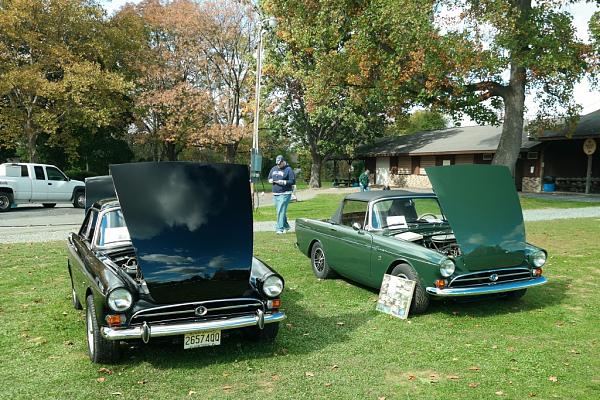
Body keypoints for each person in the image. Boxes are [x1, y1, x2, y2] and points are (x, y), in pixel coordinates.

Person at [268, 155, 296, 234]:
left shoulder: (288, 169)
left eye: (280, 163)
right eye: (277, 164)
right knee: (280, 211)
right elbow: (269, 177)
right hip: (276, 193)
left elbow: (292, 181)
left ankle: (279, 229)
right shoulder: (273, 168)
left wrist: (283, 182)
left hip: (285, 193)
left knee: (280, 210)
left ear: (283, 162)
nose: (278, 165)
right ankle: (286, 226)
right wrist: (271, 180)